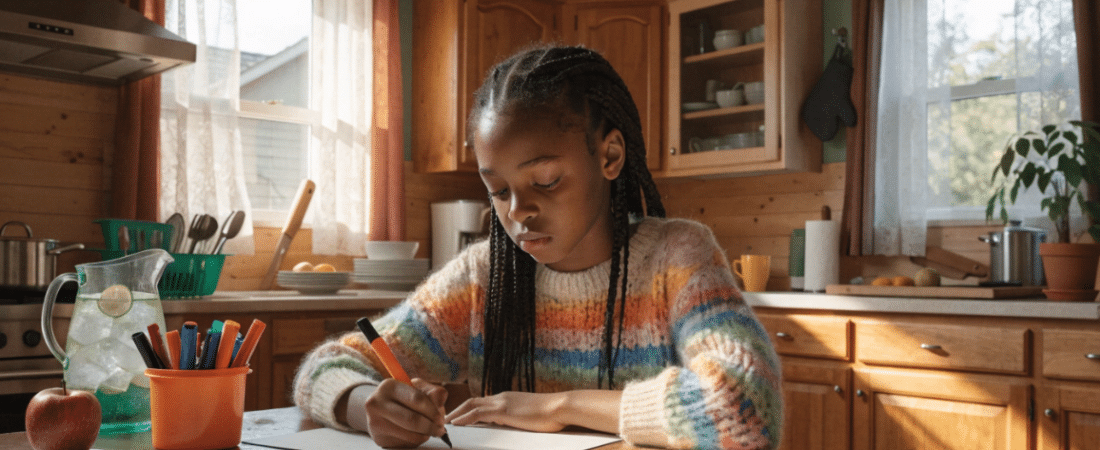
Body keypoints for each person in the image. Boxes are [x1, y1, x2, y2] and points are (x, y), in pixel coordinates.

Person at [293, 45, 783, 449]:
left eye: (546, 181)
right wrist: (366, 406)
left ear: (610, 155)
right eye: (499, 190)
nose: (517, 212)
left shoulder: (676, 258)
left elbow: (745, 405)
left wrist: (556, 406)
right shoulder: (480, 277)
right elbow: (325, 366)